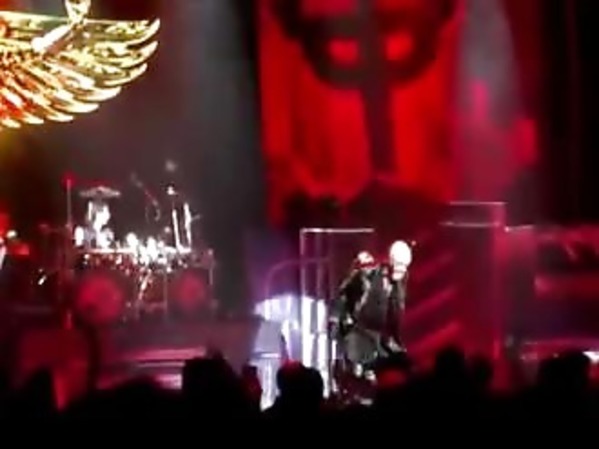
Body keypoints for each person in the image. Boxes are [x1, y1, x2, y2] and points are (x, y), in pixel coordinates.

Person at [331, 242, 412, 383]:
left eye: (404, 266)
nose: (401, 270)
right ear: (390, 260)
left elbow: (396, 309)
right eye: (398, 264)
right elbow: (344, 294)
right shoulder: (368, 274)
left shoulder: (402, 280)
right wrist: (338, 319)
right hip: (361, 332)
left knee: (400, 367)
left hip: (384, 338)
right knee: (360, 371)